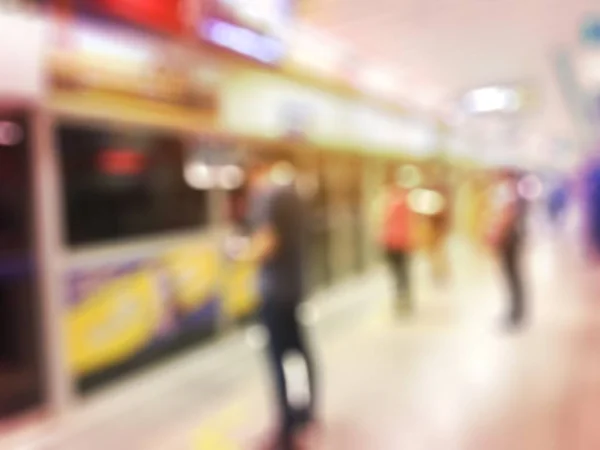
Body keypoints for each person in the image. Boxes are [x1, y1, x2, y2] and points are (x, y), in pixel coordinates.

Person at [238, 154, 317, 450]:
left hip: (274, 291)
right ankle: (307, 411)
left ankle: (285, 427)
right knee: (301, 350)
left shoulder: (267, 196)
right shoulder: (296, 194)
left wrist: (242, 255)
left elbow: (267, 242)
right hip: (295, 286)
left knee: (277, 359)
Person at [487, 170, 527, 330]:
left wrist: (497, 235)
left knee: (511, 275)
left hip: (508, 239)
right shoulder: (514, 190)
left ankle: (515, 313)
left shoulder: (507, 191)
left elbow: (507, 215)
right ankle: (515, 311)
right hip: (511, 238)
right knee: (512, 275)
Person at [375, 170, 415, 314]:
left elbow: (381, 219)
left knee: (400, 271)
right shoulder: (401, 200)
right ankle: (402, 296)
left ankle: (402, 297)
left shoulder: (394, 200)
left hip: (399, 242)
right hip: (395, 242)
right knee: (400, 271)